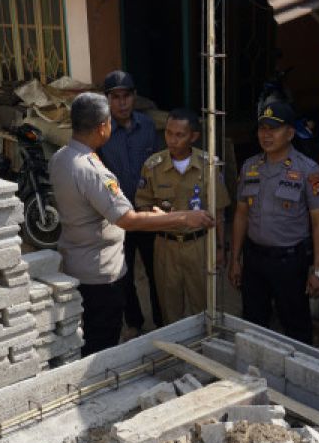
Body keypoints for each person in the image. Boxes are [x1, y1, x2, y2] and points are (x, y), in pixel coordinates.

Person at [49, 92, 213, 355]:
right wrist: (184, 217)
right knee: (103, 342)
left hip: (75, 261)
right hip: (100, 272)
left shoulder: (61, 157)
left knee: (91, 334)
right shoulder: (91, 170)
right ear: (103, 127)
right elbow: (128, 219)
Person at [228, 101, 319, 344]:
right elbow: (241, 214)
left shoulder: (308, 170)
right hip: (254, 260)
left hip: (289, 262)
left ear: (290, 133)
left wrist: (318, 270)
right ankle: (252, 377)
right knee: (253, 324)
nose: (266, 135)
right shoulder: (250, 166)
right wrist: (235, 259)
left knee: (296, 327)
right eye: (262, 128)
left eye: (273, 129)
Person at [134, 108, 230, 326]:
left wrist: (220, 249)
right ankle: (175, 353)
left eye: (180, 135)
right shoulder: (152, 166)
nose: (172, 140)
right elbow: (142, 205)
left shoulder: (209, 165)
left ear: (193, 136)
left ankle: (206, 348)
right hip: (165, 246)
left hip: (199, 244)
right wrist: (153, 215)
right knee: (169, 308)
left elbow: (220, 211)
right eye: (168, 133)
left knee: (204, 305)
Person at [99, 70, 162, 339]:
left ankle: (163, 320)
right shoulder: (102, 131)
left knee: (155, 270)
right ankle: (134, 322)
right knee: (123, 274)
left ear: (134, 97)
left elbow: (158, 165)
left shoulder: (147, 126)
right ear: (108, 100)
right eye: (116, 97)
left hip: (147, 214)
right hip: (118, 216)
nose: (122, 103)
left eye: (126, 96)